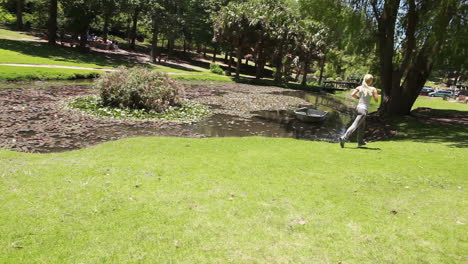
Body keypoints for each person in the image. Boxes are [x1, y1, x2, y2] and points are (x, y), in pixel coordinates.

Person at [339, 74, 379, 148]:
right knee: (355, 125)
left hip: (358, 108)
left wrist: (359, 97)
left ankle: (360, 142)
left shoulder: (359, 87)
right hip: (364, 110)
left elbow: (352, 94)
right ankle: (344, 138)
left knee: (362, 126)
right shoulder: (373, 89)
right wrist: (374, 94)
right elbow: (377, 100)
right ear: (371, 81)